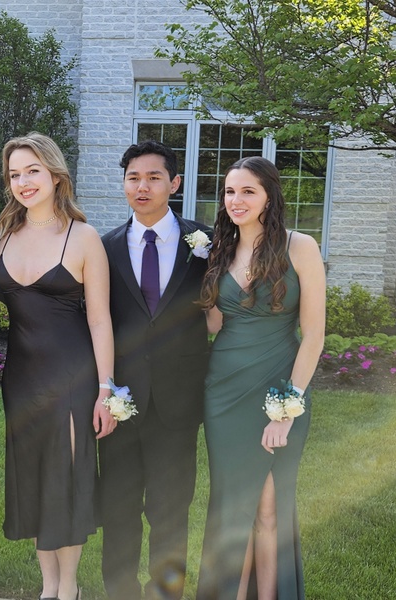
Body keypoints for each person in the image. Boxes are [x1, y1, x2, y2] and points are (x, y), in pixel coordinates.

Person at [196, 157, 325, 599]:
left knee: (269, 510)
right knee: (234, 509)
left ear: (270, 196)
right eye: (230, 192)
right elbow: (213, 324)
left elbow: (314, 337)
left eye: (248, 191)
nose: (236, 200)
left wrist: (286, 411)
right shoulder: (220, 249)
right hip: (225, 392)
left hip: (279, 389)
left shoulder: (299, 246)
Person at [0, 133, 116, 600]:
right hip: (21, 381)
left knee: (65, 482)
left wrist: (105, 390)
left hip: (71, 379)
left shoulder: (83, 237)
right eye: (15, 174)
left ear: (55, 174)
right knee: (33, 482)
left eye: (33, 171)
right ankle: (48, 586)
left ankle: (68, 587)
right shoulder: (2, 235)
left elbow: (100, 320)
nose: (24, 182)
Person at [99, 140, 211, 600]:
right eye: (133, 178)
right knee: (118, 510)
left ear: (174, 183)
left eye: (153, 178)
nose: (142, 187)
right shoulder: (105, 247)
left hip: (177, 402)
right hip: (122, 403)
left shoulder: (204, 242)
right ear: (124, 184)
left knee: (170, 512)